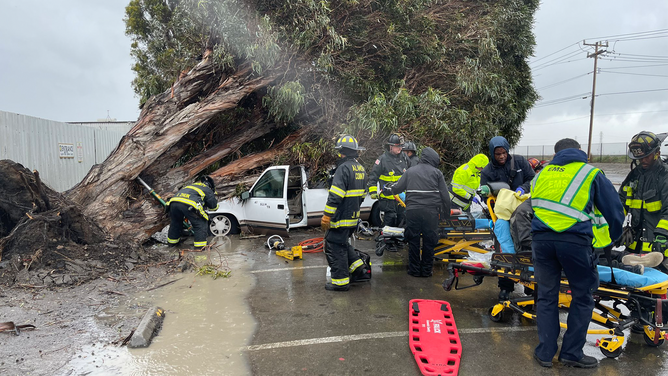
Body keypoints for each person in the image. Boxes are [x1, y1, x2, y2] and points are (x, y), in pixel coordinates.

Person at [530, 138, 624, 368]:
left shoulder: (540, 174)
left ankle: (544, 353)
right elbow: (614, 211)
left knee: (546, 296)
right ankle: (571, 353)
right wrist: (612, 239)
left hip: (541, 241)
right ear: (579, 151)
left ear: (556, 153)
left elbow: (533, 205)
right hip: (574, 242)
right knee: (582, 297)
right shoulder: (590, 173)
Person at [481, 136, 535, 300]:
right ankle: (506, 286)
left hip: (523, 208)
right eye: (498, 154)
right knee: (504, 247)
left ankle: (531, 283)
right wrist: (487, 192)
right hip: (502, 212)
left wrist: (522, 188)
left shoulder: (519, 162)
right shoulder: (488, 171)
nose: (502, 156)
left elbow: (532, 178)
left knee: (527, 242)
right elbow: (484, 194)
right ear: (492, 153)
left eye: (504, 152)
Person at [382, 147, 451, 277]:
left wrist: (386, 190)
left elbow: (397, 188)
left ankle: (414, 270)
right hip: (431, 212)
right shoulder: (437, 173)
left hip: (412, 211)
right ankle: (426, 271)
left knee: (413, 240)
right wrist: (446, 215)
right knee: (429, 242)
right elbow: (445, 197)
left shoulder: (410, 172)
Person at [321, 135, 370, 291]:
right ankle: (358, 269)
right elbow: (363, 195)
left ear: (342, 151)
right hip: (353, 218)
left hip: (340, 218)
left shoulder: (343, 168)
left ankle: (340, 283)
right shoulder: (360, 168)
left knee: (334, 246)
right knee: (342, 243)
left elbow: (335, 195)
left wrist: (327, 215)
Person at [618, 131, 668, 269]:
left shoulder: (665, 176)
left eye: (647, 156)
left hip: (659, 246)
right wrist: (614, 229)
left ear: (657, 152)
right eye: (640, 158)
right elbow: (620, 204)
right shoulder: (634, 175)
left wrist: (662, 237)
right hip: (634, 245)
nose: (643, 161)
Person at [368, 133, 409, 233]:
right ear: (391, 146)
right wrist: (373, 192)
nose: (400, 148)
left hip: (401, 198)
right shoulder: (382, 160)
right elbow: (373, 177)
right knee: (390, 219)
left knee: (401, 219)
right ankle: (388, 241)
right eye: (397, 146)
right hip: (387, 198)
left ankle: (398, 240)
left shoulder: (404, 158)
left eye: (401, 146)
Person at [167, 175, 219, 249]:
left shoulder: (191, 186)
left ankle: (172, 245)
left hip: (173, 203)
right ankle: (200, 249)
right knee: (200, 224)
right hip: (190, 204)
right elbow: (213, 207)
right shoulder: (207, 189)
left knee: (176, 223)